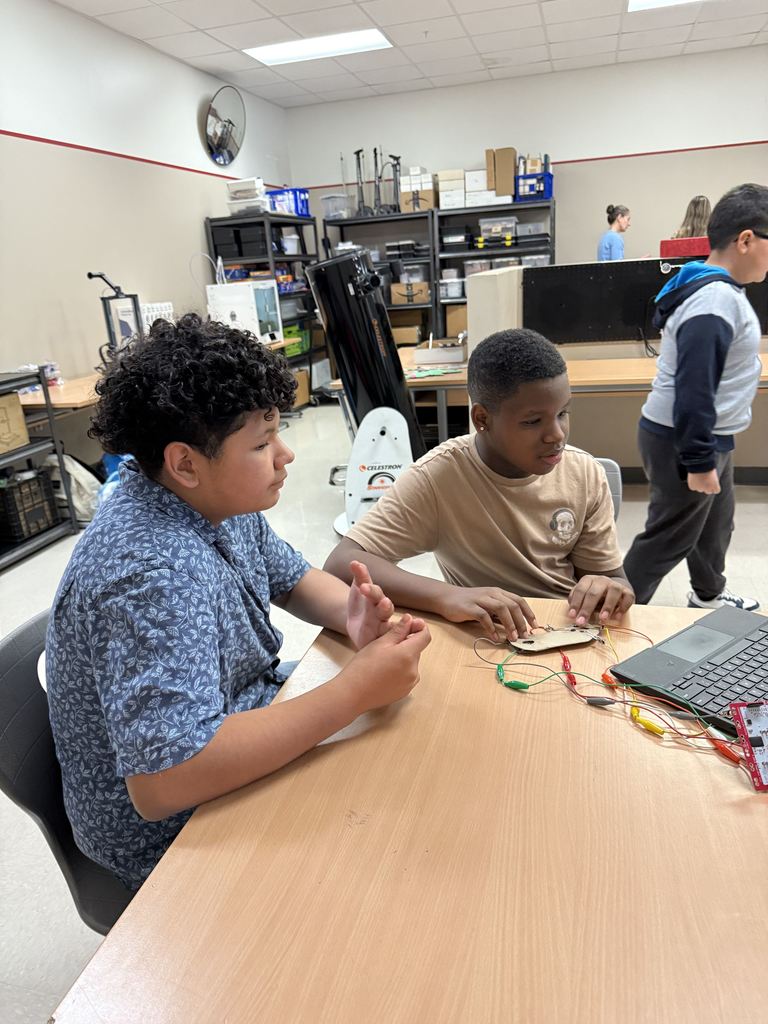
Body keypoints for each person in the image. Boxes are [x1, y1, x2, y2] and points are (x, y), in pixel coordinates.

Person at [45, 315, 431, 890]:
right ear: (185, 463)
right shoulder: (149, 572)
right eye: (261, 443)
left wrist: (349, 613)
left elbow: (291, 577)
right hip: (173, 834)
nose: (286, 455)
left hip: (237, 728)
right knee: (388, 860)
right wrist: (353, 691)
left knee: (408, 773)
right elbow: (164, 783)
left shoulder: (210, 499)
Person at [324, 329, 635, 642]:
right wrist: (445, 596)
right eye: (533, 421)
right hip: (490, 639)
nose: (557, 434)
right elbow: (341, 563)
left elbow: (613, 580)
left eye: (563, 413)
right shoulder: (438, 477)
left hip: (570, 629)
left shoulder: (584, 473)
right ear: (482, 419)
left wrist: (611, 589)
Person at [623, 182, 768, 610]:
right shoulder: (715, 302)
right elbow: (694, 390)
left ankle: (707, 595)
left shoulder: (713, 287)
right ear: (745, 240)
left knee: (715, 525)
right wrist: (700, 460)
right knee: (669, 537)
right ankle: (609, 616)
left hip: (702, 434)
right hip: (683, 437)